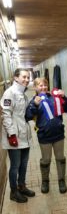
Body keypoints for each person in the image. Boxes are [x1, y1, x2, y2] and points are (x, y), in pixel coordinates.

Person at [26, 77, 67, 194]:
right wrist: (34, 104)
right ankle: (45, 181)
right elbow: (28, 116)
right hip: (44, 136)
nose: (43, 87)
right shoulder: (34, 100)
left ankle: (61, 180)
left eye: (45, 85)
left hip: (58, 134)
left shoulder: (55, 97)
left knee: (60, 158)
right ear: (35, 87)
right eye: (40, 85)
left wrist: (64, 97)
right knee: (46, 159)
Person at [1, 68, 35, 203]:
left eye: (28, 77)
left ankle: (22, 186)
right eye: (24, 77)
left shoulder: (23, 93)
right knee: (15, 165)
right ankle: (13, 191)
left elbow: (23, 114)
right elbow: (5, 114)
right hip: (14, 136)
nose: (26, 80)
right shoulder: (9, 93)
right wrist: (11, 134)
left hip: (24, 134)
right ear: (16, 78)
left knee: (24, 163)